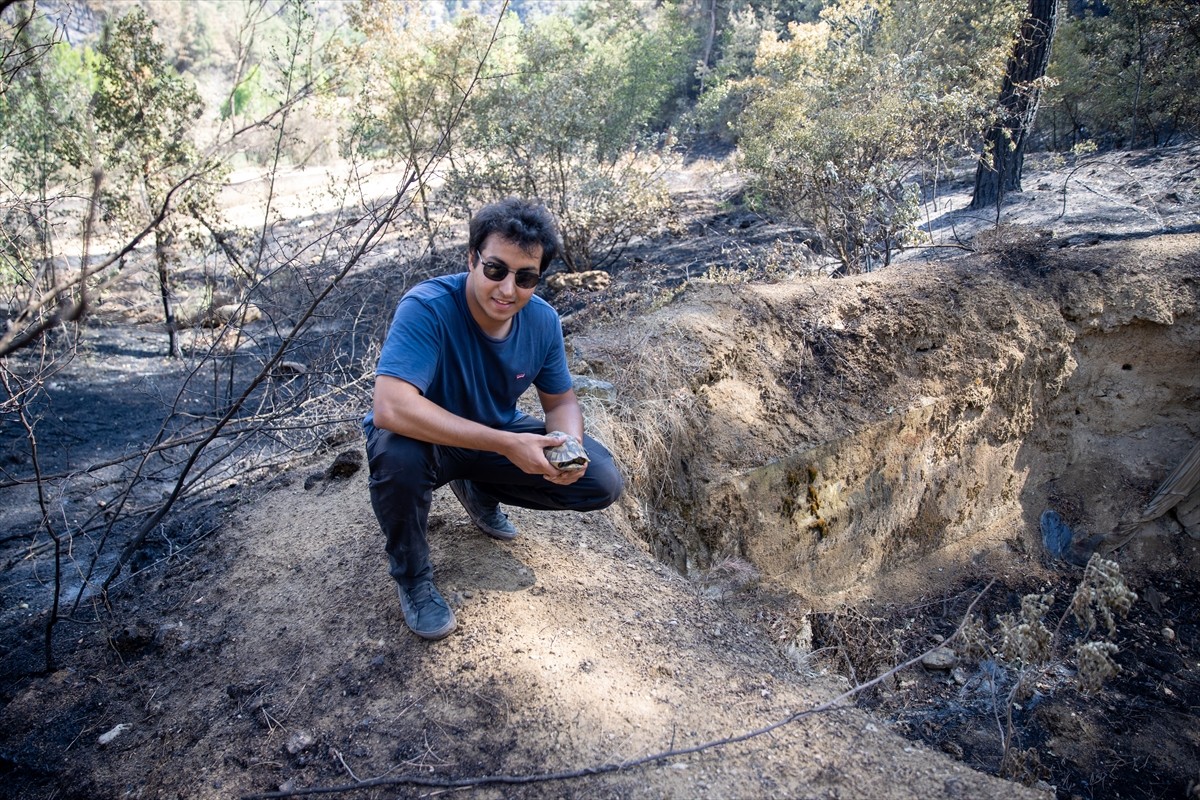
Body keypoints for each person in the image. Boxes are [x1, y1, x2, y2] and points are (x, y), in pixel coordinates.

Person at [364, 198, 624, 640]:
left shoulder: (542, 321)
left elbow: (560, 401)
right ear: (472, 259)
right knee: (398, 461)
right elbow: (391, 406)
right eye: (496, 270)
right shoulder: (428, 307)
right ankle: (413, 578)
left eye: (525, 278)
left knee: (600, 480)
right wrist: (505, 444)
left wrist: (567, 446)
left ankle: (479, 487)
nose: (507, 289)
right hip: (426, 439)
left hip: (491, 436)